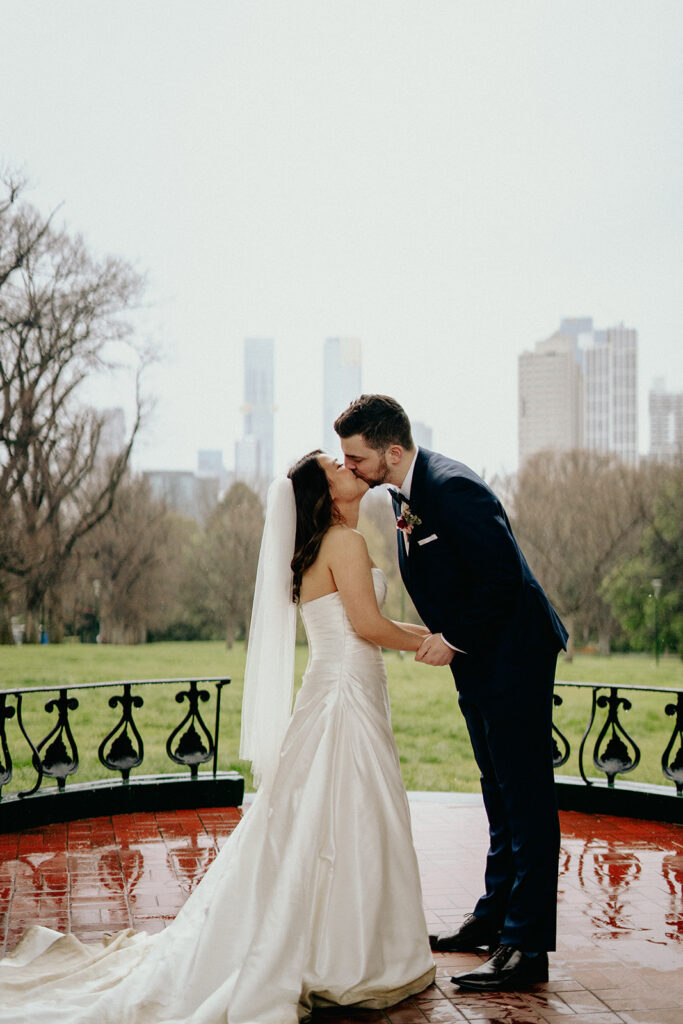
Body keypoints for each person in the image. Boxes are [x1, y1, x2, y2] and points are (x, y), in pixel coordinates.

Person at [0, 451, 435, 1024]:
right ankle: (350, 955)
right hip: (344, 698)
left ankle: (340, 943)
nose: (349, 467)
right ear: (326, 494)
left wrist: (429, 633)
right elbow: (368, 626)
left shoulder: (317, 549)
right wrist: (435, 644)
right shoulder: (344, 544)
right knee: (350, 814)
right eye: (337, 466)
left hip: (335, 688)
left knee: (318, 819)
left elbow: (362, 625)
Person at [334, 395, 568, 993]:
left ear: (391, 450)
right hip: (481, 660)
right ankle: (494, 917)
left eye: (355, 458)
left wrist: (454, 638)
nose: (350, 467)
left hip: (512, 655)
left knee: (526, 795)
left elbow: (502, 579)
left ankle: (526, 946)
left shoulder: (454, 487)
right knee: (497, 788)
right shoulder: (407, 496)